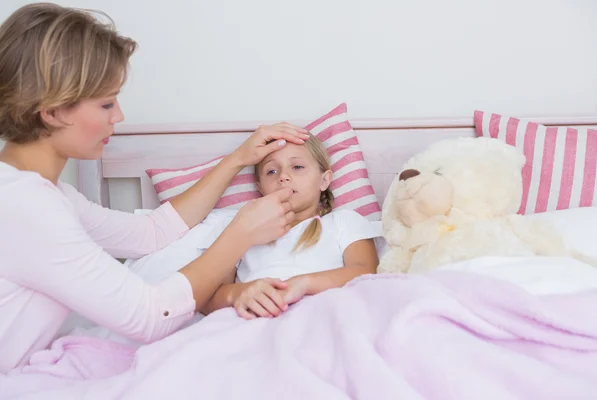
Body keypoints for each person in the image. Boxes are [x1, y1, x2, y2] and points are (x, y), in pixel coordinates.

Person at [0, 3, 309, 373]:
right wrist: (239, 235)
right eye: (106, 103)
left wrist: (237, 159)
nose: (119, 116)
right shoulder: (26, 207)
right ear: (52, 111)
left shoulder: (44, 195)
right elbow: (150, 317)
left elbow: (151, 234)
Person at [200, 134, 380, 320]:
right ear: (260, 189)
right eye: (271, 171)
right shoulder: (243, 231)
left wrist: (304, 284)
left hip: (322, 316)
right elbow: (207, 298)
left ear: (324, 180)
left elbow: (367, 273)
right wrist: (240, 293)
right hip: (255, 322)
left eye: (297, 167)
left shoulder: (343, 221)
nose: (284, 177)